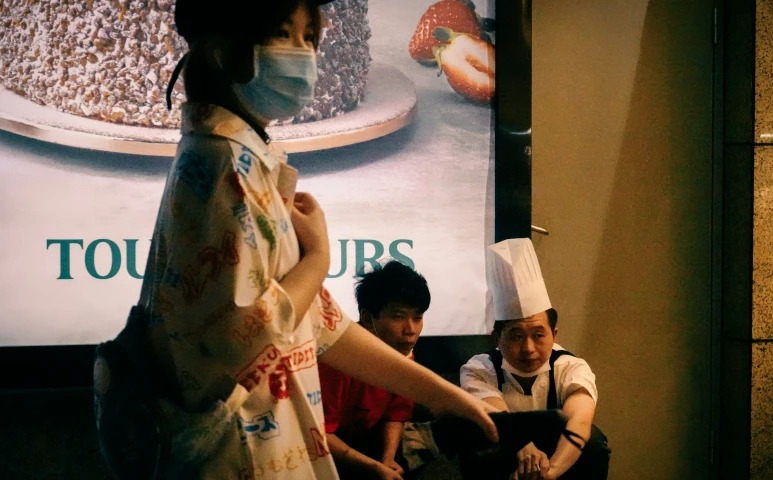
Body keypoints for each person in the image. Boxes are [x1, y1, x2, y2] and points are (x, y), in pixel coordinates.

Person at [92, 1, 499, 479]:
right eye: (285, 34)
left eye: (310, 38)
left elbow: (320, 325)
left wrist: (442, 395)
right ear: (224, 50)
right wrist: (319, 259)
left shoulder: (245, 159)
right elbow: (243, 334)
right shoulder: (222, 165)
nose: (304, 54)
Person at [459, 238, 611, 480]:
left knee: (593, 443)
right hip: (505, 454)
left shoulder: (571, 367)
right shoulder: (479, 369)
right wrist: (523, 448)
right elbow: (499, 419)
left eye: (538, 335)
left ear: (554, 334)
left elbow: (579, 423)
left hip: (560, 460)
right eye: (516, 336)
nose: (528, 348)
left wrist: (551, 473)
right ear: (497, 337)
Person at [319, 260, 430, 479]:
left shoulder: (402, 350)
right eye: (398, 317)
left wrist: (387, 459)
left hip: (368, 442)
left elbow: (396, 412)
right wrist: (373, 467)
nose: (411, 330)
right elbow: (320, 433)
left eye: (417, 318)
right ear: (368, 318)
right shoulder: (337, 359)